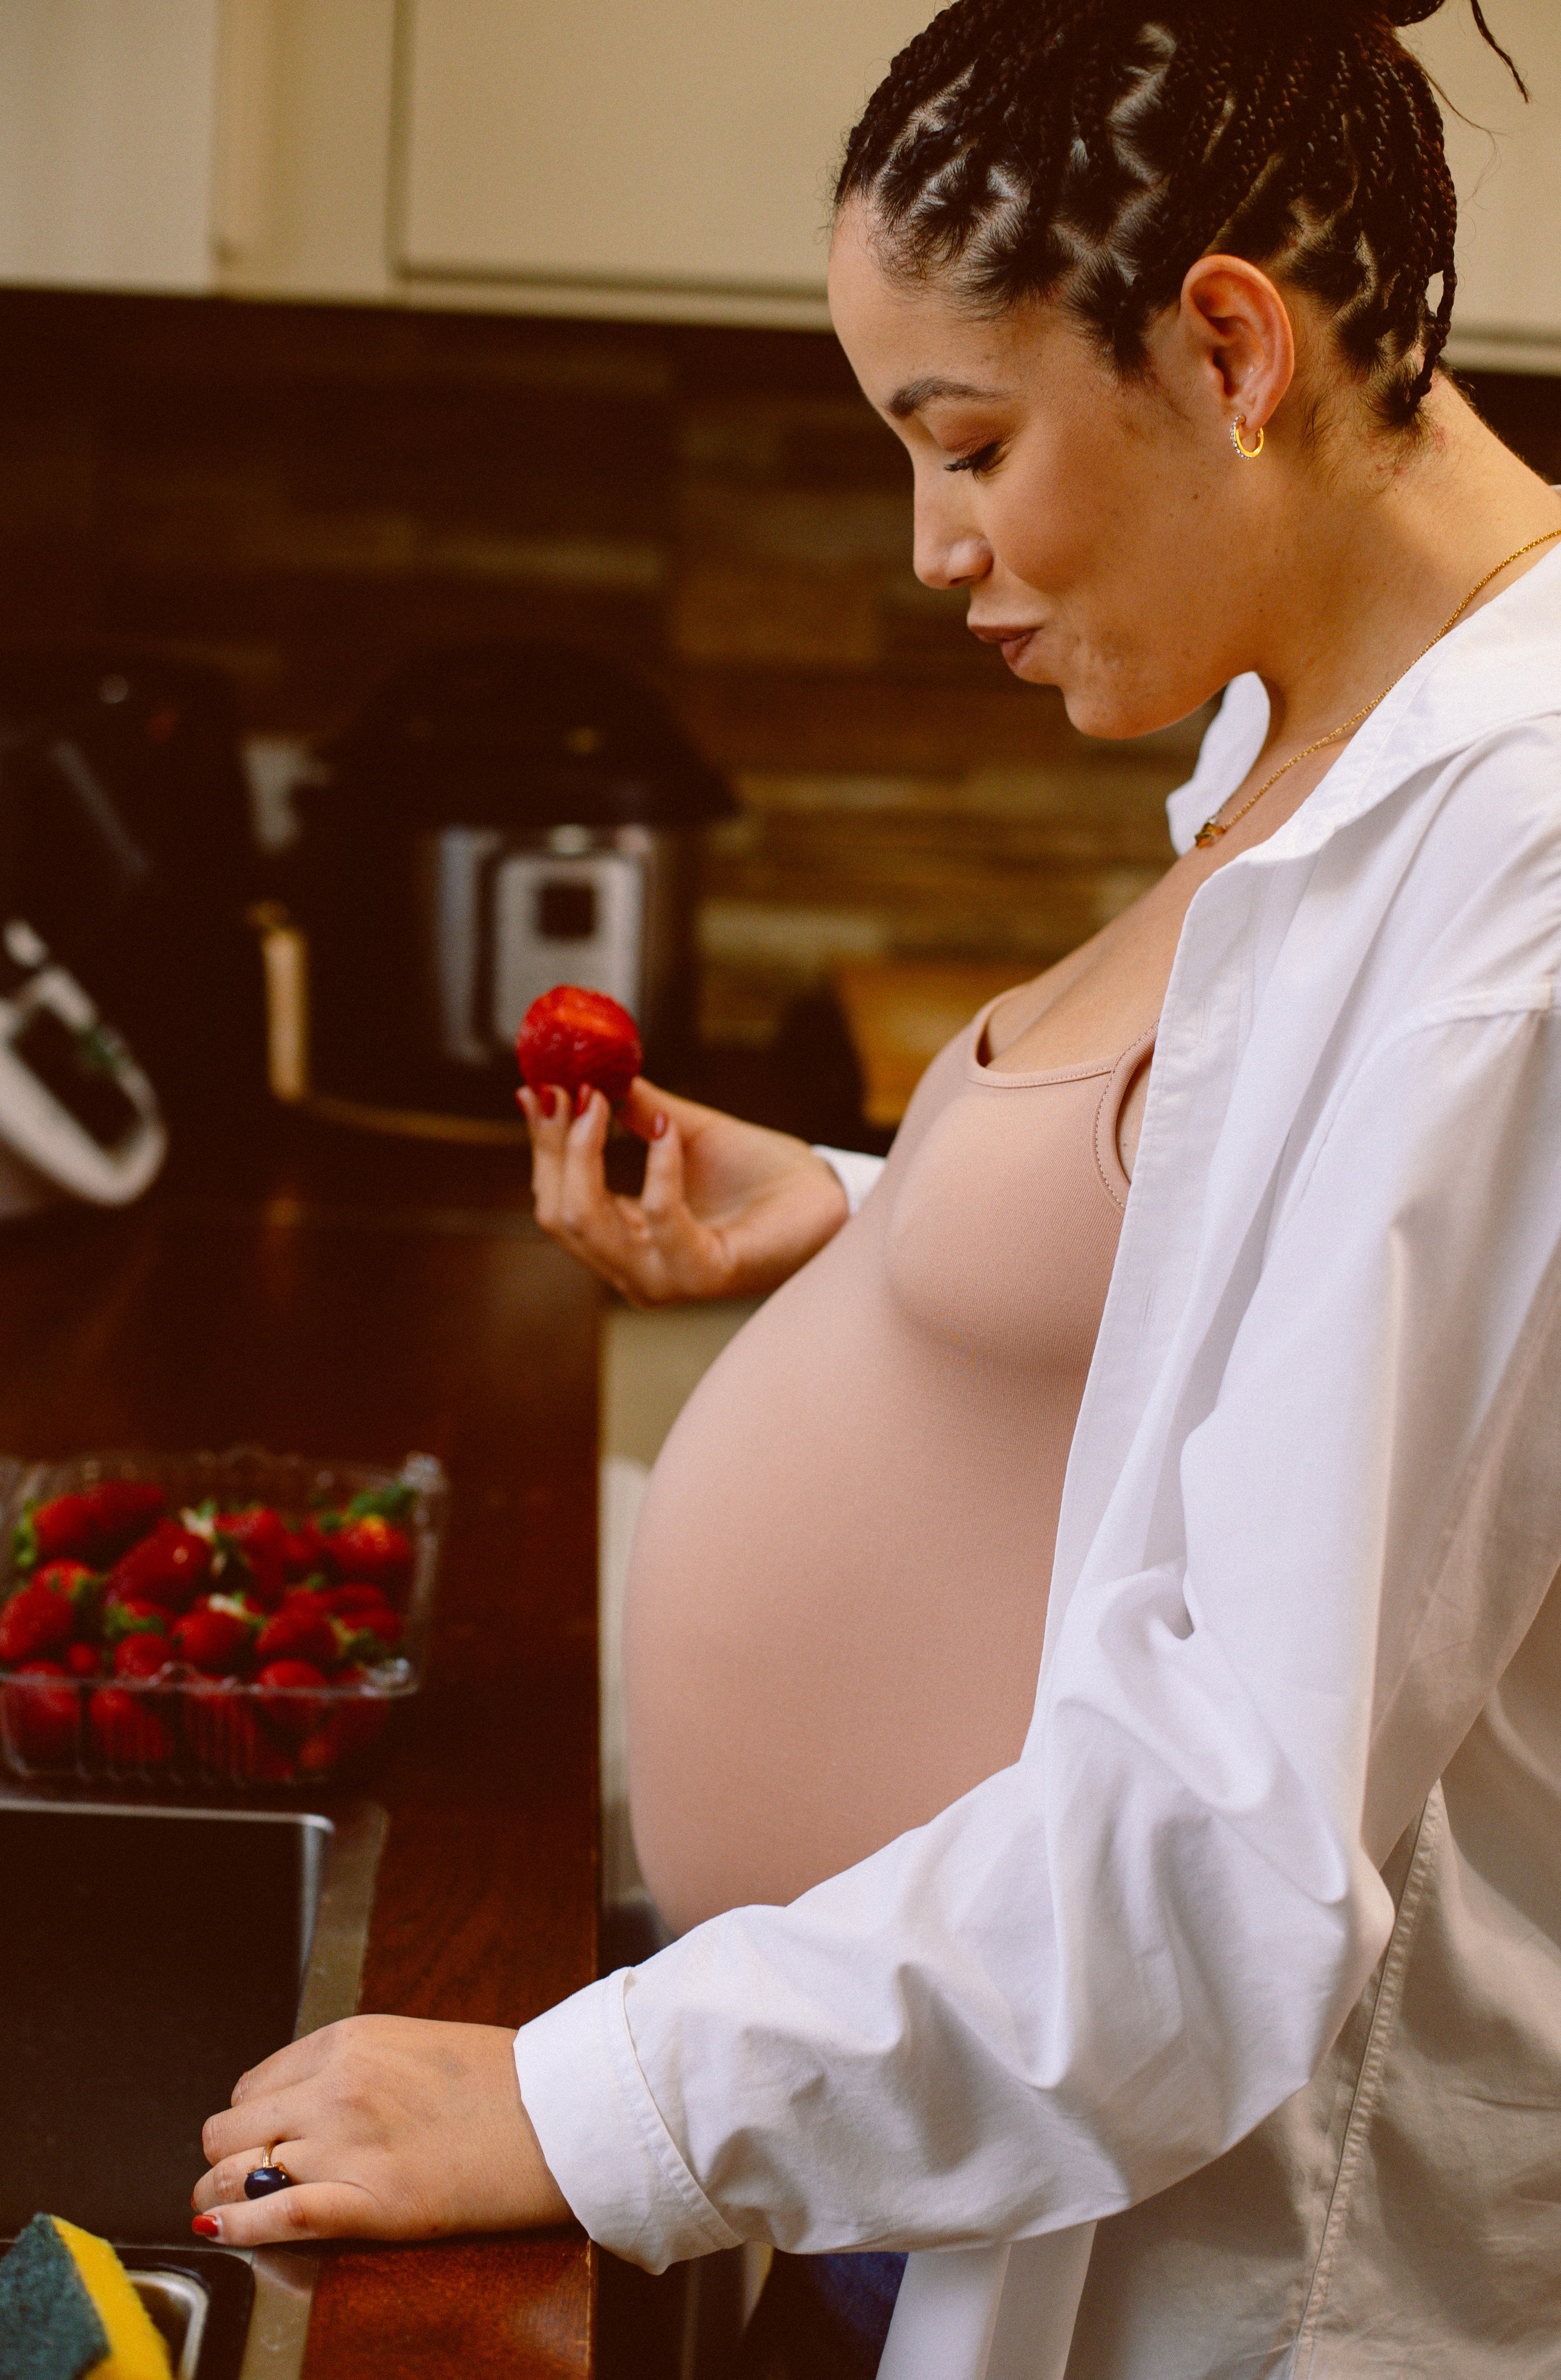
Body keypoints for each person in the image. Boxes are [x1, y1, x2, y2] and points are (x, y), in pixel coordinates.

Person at [194, 2, 1561, 2372]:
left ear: (1230, 344)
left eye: (966, 443)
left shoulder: (1520, 898)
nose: (932, 549)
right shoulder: (1318, 719)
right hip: (934, 2140)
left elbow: (1223, 1856)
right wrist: (867, 1221)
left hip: (1214, 2255)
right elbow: (1255, 1275)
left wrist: (576, 2103)